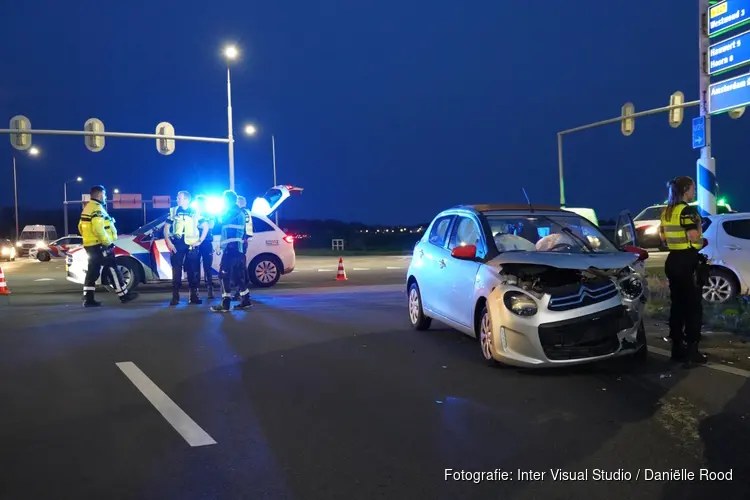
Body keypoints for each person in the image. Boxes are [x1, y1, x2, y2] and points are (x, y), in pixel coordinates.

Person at [659, 176, 708, 364]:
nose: (694, 191)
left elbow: (663, 238)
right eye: (693, 188)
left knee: (677, 306)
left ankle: (677, 348)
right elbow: (694, 237)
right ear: (686, 189)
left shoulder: (667, 212)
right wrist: (701, 241)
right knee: (693, 307)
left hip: (673, 261)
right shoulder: (687, 211)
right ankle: (692, 350)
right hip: (688, 262)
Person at [78, 185, 138, 307]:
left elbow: (80, 227)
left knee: (92, 272)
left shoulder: (87, 208)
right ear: (99, 195)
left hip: (90, 245)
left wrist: (88, 239)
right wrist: (107, 243)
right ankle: (124, 295)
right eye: (105, 195)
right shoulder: (97, 209)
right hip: (100, 245)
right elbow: (98, 228)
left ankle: (88, 299)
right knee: (113, 268)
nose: (106, 197)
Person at [164, 191, 209, 306]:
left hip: (191, 244)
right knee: (176, 270)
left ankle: (193, 296)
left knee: (193, 270)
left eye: (179, 198)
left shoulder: (195, 211)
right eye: (177, 197)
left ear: (187, 200)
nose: (177, 199)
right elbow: (166, 228)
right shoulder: (174, 210)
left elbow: (205, 226)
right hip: (177, 244)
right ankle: (175, 296)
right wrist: (169, 242)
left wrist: (200, 241)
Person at [211, 190, 253, 312]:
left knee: (223, 276)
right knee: (238, 277)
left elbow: (222, 220)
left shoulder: (233, 212)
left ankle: (225, 304)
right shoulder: (239, 212)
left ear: (228, 201)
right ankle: (246, 300)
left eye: (224, 201)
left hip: (232, 250)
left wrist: (217, 212)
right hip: (237, 250)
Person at [194, 195, 217, 299]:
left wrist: (201, 225)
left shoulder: (210, 213)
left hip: (206, 242)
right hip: (195, 243)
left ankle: (209, 289)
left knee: (207, 267)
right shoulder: (194, 213)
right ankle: (195, 291)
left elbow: (211, 225)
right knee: (195, 268)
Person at [232, 195, 254, 299]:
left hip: (240, 242)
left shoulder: (241, 213)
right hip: (244, 241)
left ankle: (240, 291)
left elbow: (242, 228)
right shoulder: (247, 212)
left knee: (238, 267)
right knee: (241, 266)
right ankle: (242, 289)